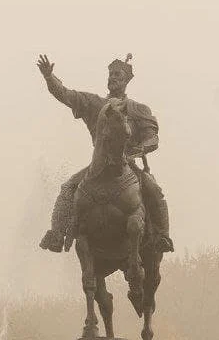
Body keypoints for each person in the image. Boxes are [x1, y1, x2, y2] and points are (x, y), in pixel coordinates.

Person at [36, 53, 173, 255]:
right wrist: (49, 77)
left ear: (126, 80)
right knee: (67, 188)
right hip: (98, 166)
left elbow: (153, 138)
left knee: (154, 189)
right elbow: (65, 94)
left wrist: (139, 150)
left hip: (128, 165)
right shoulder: (94, 104)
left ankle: (162, 236)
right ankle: (57, 234)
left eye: (118, 75)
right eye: (110, 74)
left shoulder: (137, 109)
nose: (113, 78)